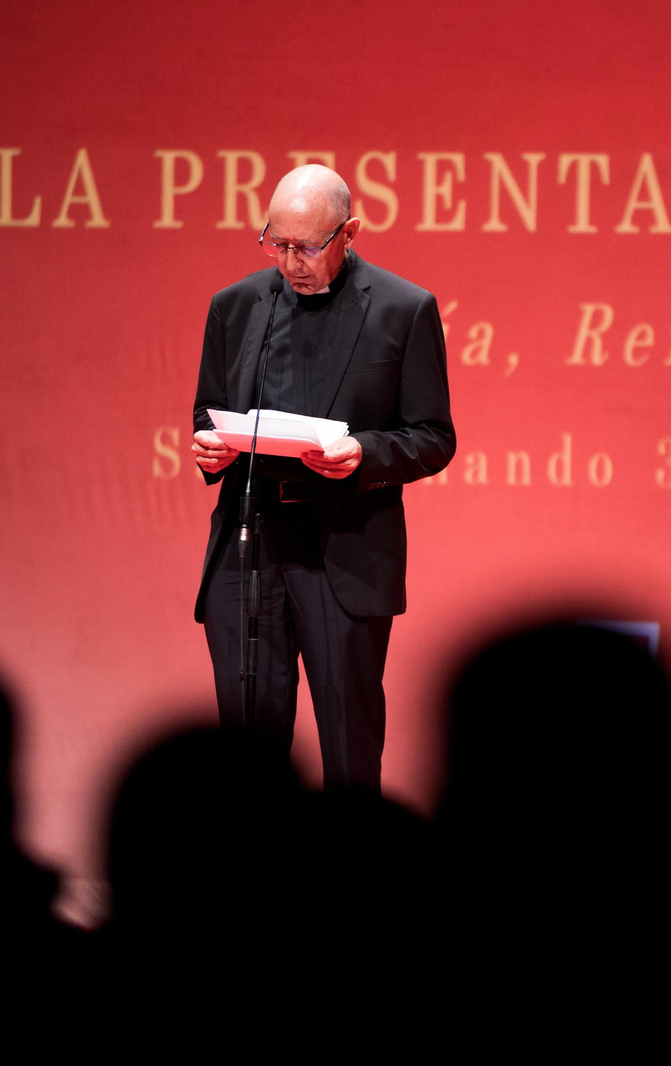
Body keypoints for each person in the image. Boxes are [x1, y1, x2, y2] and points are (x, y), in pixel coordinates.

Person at [190, 164, 455, 789]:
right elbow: (207, 410)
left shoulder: (403, 310)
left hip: (343, 549)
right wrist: (209, 447)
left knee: (347, 747)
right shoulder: (236, 307)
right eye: (276, 243)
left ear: (349, 233)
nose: (290, 262)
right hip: (250, 544)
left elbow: (432, 438)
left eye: (307, 247)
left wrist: (363, 453)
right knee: (248, 751)